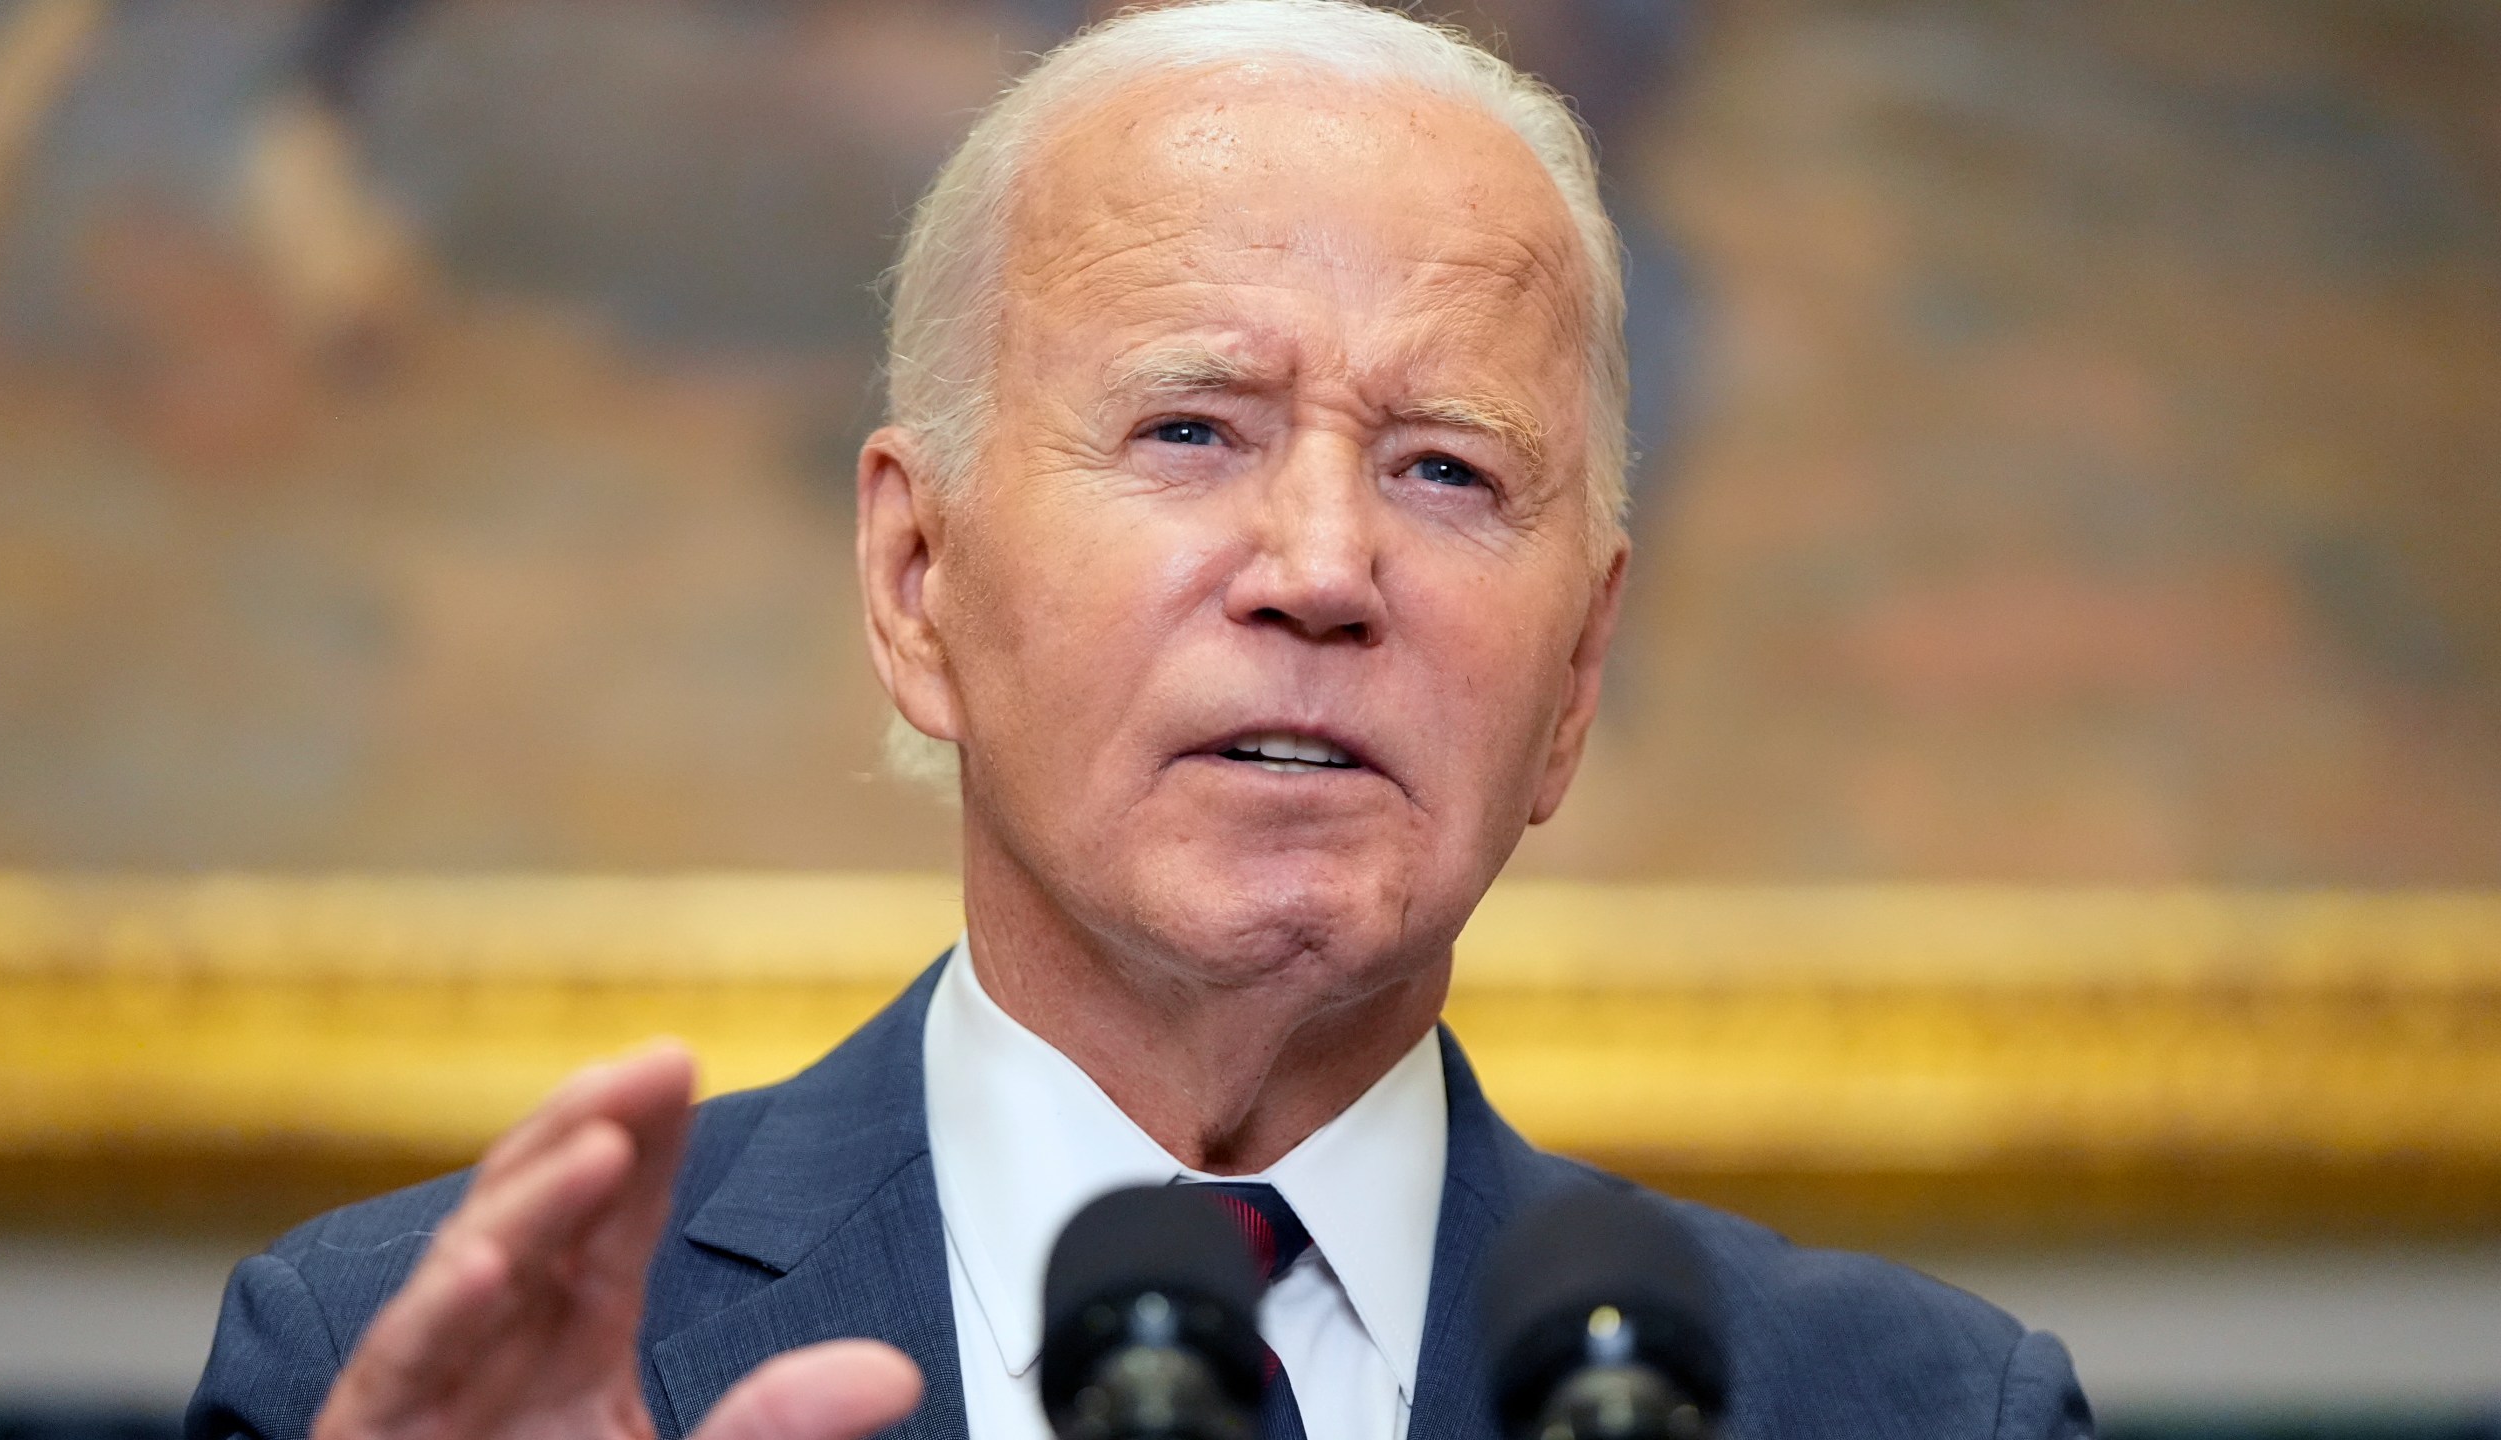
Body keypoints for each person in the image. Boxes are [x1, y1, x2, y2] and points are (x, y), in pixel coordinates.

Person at [188, 3, 2094, 1438]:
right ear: (916, 579)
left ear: (1577, 677)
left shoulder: (1911, 1409)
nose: (1323, 564)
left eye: (1444, 470)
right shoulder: (387, 1361)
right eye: (1193, 430)